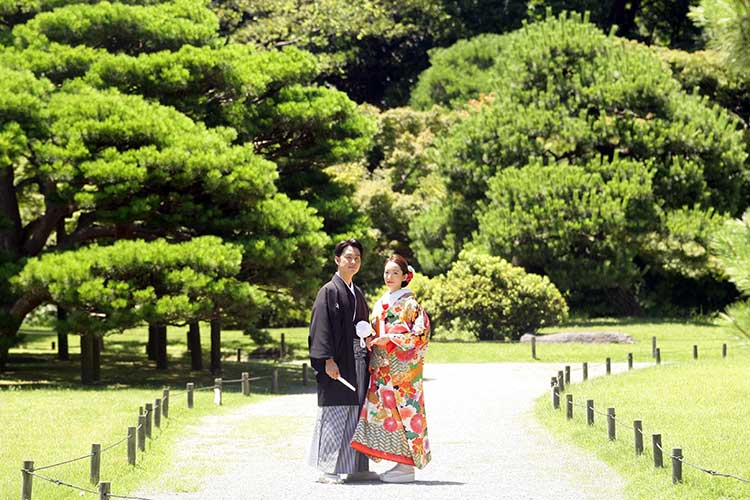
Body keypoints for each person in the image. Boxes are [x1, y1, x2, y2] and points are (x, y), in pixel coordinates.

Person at [350, 254, 431, 483]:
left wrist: (392, 340)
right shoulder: (382, 301)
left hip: (402, 371)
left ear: (405, 277)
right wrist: (372, 339)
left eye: (395, 272)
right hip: (382, 368)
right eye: (387, 272)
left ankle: (406, 467)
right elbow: (377, 330)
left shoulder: (410, 303)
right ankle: (398, 463)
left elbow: (421, 334)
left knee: (403, 414)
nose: (390, 277)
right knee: (385, 415)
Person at [307, 239, 378, 484]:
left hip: (357, 360)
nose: (353, 261)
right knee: (336, 412)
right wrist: (327, 360)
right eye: (348, 257)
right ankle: (327, 469)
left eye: (357, 257)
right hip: (337, 361)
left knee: (356, 412)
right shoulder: (328, 291)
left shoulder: (356, 293)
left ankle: (356, 468)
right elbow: (321, 329)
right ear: (337, 260)